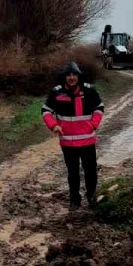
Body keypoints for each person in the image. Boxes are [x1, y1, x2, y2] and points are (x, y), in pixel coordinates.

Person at [42, 61, 104, 210]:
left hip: (88, 140)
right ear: (64, 77)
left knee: (90, 170)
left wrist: (93, 124)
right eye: (68, 75)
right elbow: (45, 110)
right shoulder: (57, 92)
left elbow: (99, 108)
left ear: (78, 76)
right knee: (73, 172)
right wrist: (54, 125)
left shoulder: (90, 91)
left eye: (74, 74)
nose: (71, 77)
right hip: (67, 142)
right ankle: (74, 200)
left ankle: (91, 196)